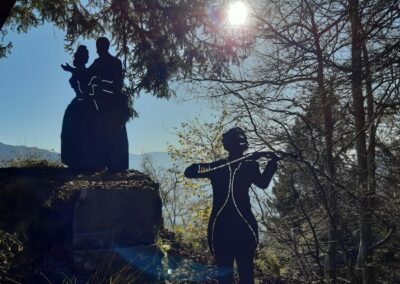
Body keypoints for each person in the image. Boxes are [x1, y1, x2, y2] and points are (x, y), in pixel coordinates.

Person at [184, 127, 280, 284]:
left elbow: (190, 171)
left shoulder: (245, 165)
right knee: (243, 273)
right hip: (239, 228)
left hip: (224, 228)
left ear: (226, 146)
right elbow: (190, 171)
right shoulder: (226, 166)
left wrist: (271, 162)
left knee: (229, 275)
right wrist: (272, 163)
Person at [87, 37, 129, 171]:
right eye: (97, 46)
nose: (98, 49)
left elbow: (117, 85)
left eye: (100, 46)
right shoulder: (97, 63)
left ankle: (117, 166)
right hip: (100, 104)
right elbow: (87, 75)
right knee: (100, 134)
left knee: (115, 135)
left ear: (106, 46)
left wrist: (101, 84)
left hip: (113, 105)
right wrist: (75, 70)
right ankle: (100, 163)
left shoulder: (115, 62)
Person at [60, 45, 104, 170]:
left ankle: (88, 160)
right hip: (83, 103)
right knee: (75, 131)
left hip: (87, 103)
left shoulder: (87, 72)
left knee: (88, 131)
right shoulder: (81, 72)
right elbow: (79, 76)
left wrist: (70, 69)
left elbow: (83, 74)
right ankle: (76, 159)